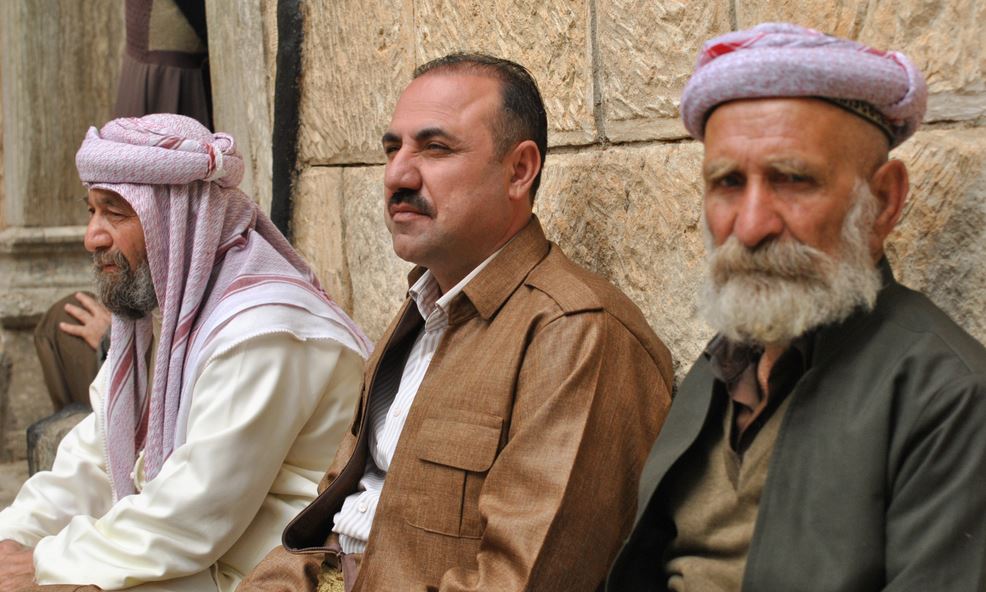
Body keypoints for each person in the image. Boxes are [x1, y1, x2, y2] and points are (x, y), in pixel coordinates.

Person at [238, 53, 674, 592]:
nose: (397, 174)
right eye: (392, 148)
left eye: (435, 147)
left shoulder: (576, 333)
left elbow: (522, 580)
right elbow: (335, 515)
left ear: (519, 170)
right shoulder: (425, 306)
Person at [606, 22, 986, 591]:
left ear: (883, 201)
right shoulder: (723, 364)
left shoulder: (949, 395)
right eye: (728, 182)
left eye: (792, 180)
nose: (753, 225)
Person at [0, 114, 372, 592]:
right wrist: (13, 538)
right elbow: (90, 461)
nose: (92, 236)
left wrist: (41, 564)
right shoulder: (160, 314)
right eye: (91, 210)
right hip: (198, 557)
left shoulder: (261, 329)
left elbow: (193, 517)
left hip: (267, 570)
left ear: (177, 219)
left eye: (115, 213)